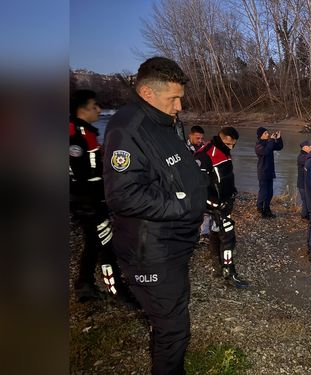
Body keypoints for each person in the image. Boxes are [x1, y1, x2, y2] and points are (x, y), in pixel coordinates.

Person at [102, 56, 208, 374]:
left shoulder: (165, 122)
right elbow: (123, 195)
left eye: (181, 98)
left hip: (173, 243)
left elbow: (168, 170)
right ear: (148, 93)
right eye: (173, 99)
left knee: (172, 314)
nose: (179, 106)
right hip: (151, 250)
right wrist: (182, 205)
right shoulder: (128, 128)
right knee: (173, 330)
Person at [69, 89, 129, 303]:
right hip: (88, 201)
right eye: (95, 106)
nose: (99, 109)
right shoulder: (77, 135)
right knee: (105, 243)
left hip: (87, 200)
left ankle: (84, 285)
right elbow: (82, 174)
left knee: (93, 242)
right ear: (83, 109)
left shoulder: (86, 133)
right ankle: (117, 291)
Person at [194, 126, 249, 289]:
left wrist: (231, 192)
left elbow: (223, 177)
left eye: (234, 145)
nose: (231, 147)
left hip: (225, 201)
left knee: (217, 232)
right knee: (228, 237)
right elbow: (198, 184)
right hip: (216, 204)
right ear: (222, 138)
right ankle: (229, 273)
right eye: (229, 144)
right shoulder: (205, 154)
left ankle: (218, 267)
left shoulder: (223, 151)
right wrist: (212, 204)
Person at [254, 126, 283, 218]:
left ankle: (267, 209)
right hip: (262, 172)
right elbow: (266, 151)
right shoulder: (258, 145)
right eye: (265, 133)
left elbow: (279, 147)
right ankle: (260, 209)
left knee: (270, 192)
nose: (267, 134)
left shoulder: (268, 143)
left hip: (270, 171)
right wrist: (271, 140)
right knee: (264, 192)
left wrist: (278, 138)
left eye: (267, 133)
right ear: (260, 135)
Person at [297, 140, 311, 220]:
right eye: (310, 146)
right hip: (302, 184)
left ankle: (306, 215)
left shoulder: (306, 156)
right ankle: (304, 215)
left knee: (307, 200)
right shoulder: (301, 157)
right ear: (305, 147)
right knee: (306, 200)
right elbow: (309, 160)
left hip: (306, 183)